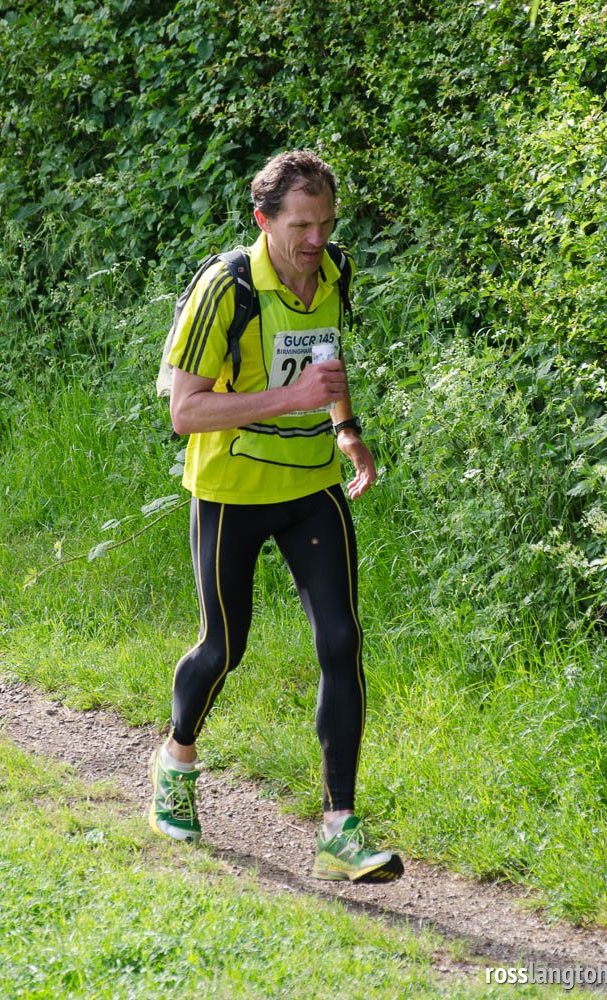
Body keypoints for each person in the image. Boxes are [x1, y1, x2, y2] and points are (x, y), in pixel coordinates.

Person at [149, 149, 403, 883]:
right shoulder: (226, 288)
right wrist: (292, 401)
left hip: (310, 485)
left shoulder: (334, 270)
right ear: (263, 220)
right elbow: (185, 411)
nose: (316, 240)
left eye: (326, 223)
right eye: (300, 226)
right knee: (224, 647)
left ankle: (339, 829)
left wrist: (345, 428)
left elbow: (325, 357)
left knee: (342, 642)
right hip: (230, 488)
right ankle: (176, 761)